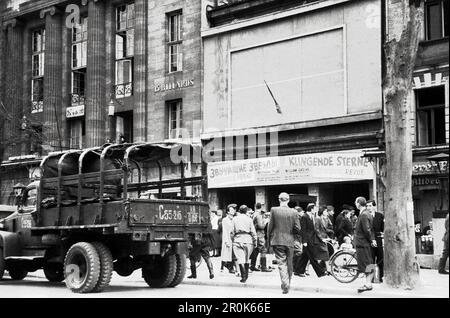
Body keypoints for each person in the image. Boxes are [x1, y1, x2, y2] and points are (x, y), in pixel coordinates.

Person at [267, 192, 301, 294]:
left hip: (277, 240)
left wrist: (269, 239)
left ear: (279, 199)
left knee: (282, 263)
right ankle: (287, 284)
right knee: (289, 263)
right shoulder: (294, 212)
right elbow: (298, 228)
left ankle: (285, 284)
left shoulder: (274, 210)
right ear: (288, 200)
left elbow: (270, 226)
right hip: (289, 240)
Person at [295, 203, 329, 278]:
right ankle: (320, 272)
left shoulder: (312, 216)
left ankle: (298, 271)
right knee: (312, 257)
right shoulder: (304, 216)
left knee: (305, 257)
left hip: (311, 239)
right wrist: (304, 241)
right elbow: (303, 230)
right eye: (315, 209)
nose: (316, 210)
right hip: (307, 240)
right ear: (311, 209)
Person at [354, 196, 377, 293]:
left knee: (367, 263)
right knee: (369, 262)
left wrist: (371, 239)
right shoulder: (367, 213)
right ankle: (368, 283)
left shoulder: (363, 215)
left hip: (362, 243)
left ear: (359, 203)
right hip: (365, 242)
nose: (355, 204)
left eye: (356, 202)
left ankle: (368, 284)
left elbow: (367, 230)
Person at [231, 205, 257, 283]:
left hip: (238, 239)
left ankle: (243, 276)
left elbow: (232, 231)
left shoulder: (234, 219)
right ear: (246, 211)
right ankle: (246, 275)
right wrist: (255, 241)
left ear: (239, 210)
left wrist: (232, 239)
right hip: (248, 239)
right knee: (246, 259)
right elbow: (253, 231)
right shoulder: (249, 219)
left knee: (240, 259)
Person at [250, 203, 272, 272]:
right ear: (261, 207)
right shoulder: (258, 215)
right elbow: (261, 226)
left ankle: (252, 266)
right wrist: (266, 222)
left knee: (255, 250)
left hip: (255, 234)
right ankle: (263, 267)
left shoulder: (253, 214)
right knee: (263, 250)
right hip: (260, 234)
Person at [367, 199, 384, 282]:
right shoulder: (365, 215)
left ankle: (380, 277)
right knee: (370, 259)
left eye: (370, 206)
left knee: (380, 257)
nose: (368, 208)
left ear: (374, 206)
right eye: (367, 206)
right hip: (369, 239)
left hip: (378, 238)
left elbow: (383, 228)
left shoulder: (380, 215)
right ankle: (369, 278)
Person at [221, 204, 236, 273]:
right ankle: (230, 267)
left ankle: (229, 266)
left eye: (234, 210)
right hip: (228, 238)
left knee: (233, 253)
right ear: (228, 212)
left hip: (234, 238)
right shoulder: (225, 220)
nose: (233, 211)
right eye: (232, 210)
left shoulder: (234, 219)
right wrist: (226, 241)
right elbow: (225, 231)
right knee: (229, 253)